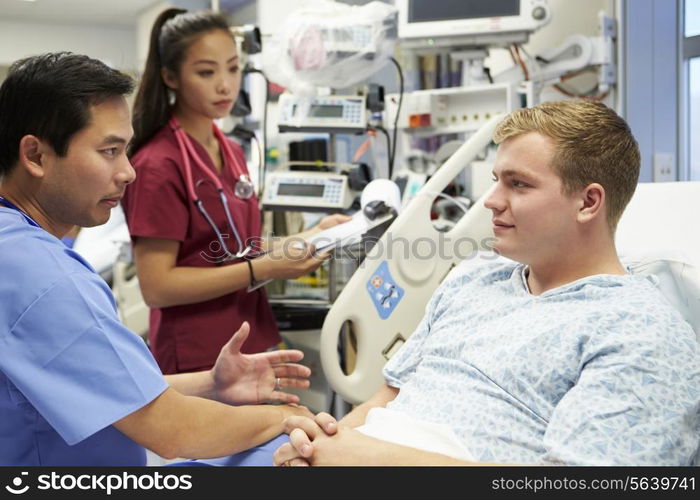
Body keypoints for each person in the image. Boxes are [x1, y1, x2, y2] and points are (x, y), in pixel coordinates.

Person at [272, 100, 700, 466]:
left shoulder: (638, 332)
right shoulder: (474, 279)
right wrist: (321, 444)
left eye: (518, 184)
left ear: (588, 202)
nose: (492, 201)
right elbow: (389, 395)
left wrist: (370, 458)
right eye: (497, 180)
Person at [0, 52, 313, 466]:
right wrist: (283, 417)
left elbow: (96, 389)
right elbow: (173, 431)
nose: (128, 172)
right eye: (109, 151)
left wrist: (211, 385)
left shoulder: (14, 247)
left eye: (125, 150)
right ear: (35, 155)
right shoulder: (45, 277)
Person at [123, 8, 349, 375]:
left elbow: (237, 248)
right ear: (171, 77)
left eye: (233, 67)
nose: (226, 85)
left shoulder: (226, 147)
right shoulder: (157, 164)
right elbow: (157, 286)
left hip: (250, 338)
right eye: (206, 72)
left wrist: (310, 237)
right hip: (198, 357)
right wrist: (261, 268)